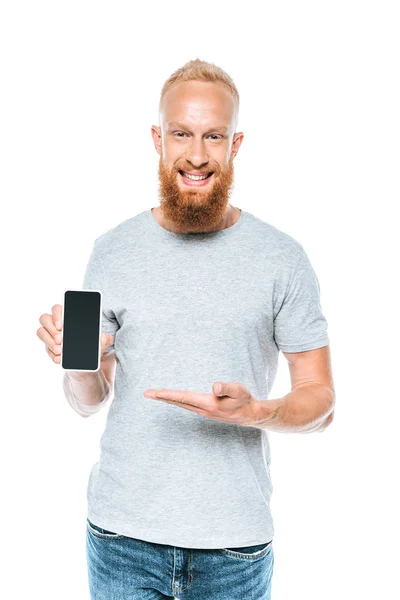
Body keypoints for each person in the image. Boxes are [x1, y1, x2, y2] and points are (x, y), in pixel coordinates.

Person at [37, 58, 335, 600]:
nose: (197, 155)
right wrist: (79, 364)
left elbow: (322, 401)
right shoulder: (114, 251)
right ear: (157, 138)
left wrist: (258, 411)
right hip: (122, 540)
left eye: (213, 136)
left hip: (234, 547)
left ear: (235, 145)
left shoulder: (282, 258)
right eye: (181, 133)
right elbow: (86, 401)